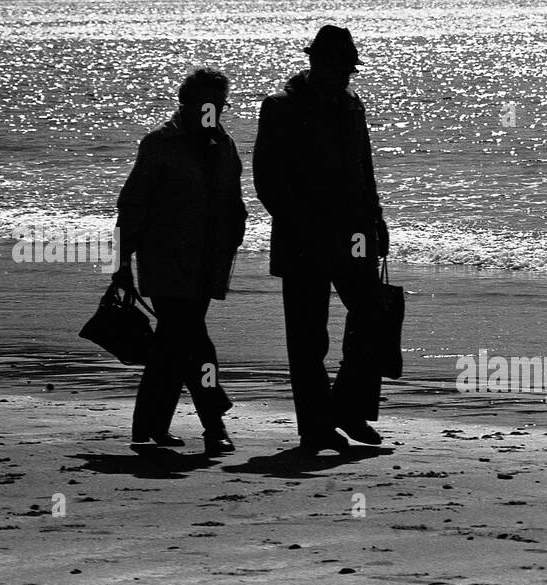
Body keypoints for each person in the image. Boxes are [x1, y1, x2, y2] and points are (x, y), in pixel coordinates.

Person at [253, 25, 389, 454]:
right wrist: (301, 221)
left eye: (350, 67)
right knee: (308, 339)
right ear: (317, 62)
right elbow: (267, 180)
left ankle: (347, 409)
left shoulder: (352, 106)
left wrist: (377, 221)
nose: (347, 75)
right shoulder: (280, 107)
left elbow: (364, 171)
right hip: (302, 238)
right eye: (342, 66)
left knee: (372, 314)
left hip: (353, 235)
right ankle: (315, 427)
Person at [112, 68, 248, 457]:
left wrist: (232, 240)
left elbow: (234, 202)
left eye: (218, 105)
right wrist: (119, 263)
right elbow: (132, 206)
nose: (212, 111)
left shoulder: (224, 146)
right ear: (185, 103)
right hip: (165, 261)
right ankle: (214, 421)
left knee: (174, 343)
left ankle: (148, 428)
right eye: (205, 104)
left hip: (208, 263)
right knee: (192, 338)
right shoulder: (160, 144)